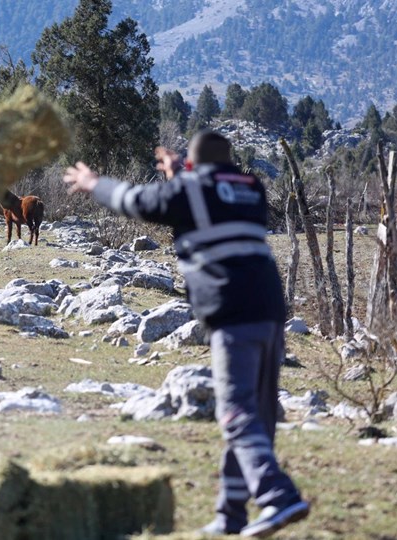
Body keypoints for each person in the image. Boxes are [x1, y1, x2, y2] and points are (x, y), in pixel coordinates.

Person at [62, 131, 309, 537]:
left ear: (193, 166)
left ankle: (278, 495)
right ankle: (230, 517)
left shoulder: (189, 190)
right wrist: (184, 173)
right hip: (269, 310)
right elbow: (211, 194)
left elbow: (136, 202)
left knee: (234, 412)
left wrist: (93, 183)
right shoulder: (252, 189)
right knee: (256, 416)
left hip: (232, 312)